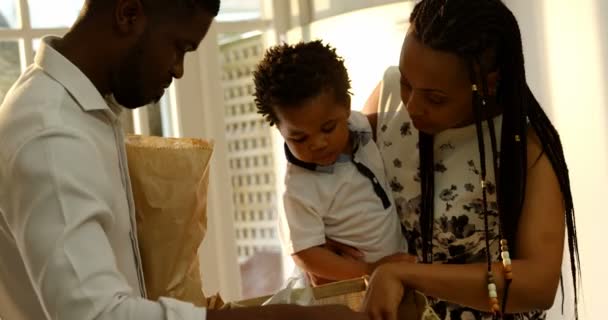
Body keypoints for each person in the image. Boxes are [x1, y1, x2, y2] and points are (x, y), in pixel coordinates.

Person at [0, 1, 368, 320]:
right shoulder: (49, 132)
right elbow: (98, 314)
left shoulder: (87, 112)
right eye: (180, 47)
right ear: (129, 13)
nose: (178, 69)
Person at [358, 0, 581, 319]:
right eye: (406, 82)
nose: (412, 106)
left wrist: (404, 274)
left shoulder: (528, 149)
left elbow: (537, 285)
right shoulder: (391, 96)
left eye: (435, 98)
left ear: (489, 83)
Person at [252, 41, 410, 284]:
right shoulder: (297, 189)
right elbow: (305, 254)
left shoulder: (361, 127)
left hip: (399, 271)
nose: (317, 144)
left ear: (346, 107)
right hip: (354, 284)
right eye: (299, 137)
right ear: (280, 129)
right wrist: (370, 270)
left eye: (327, 128)